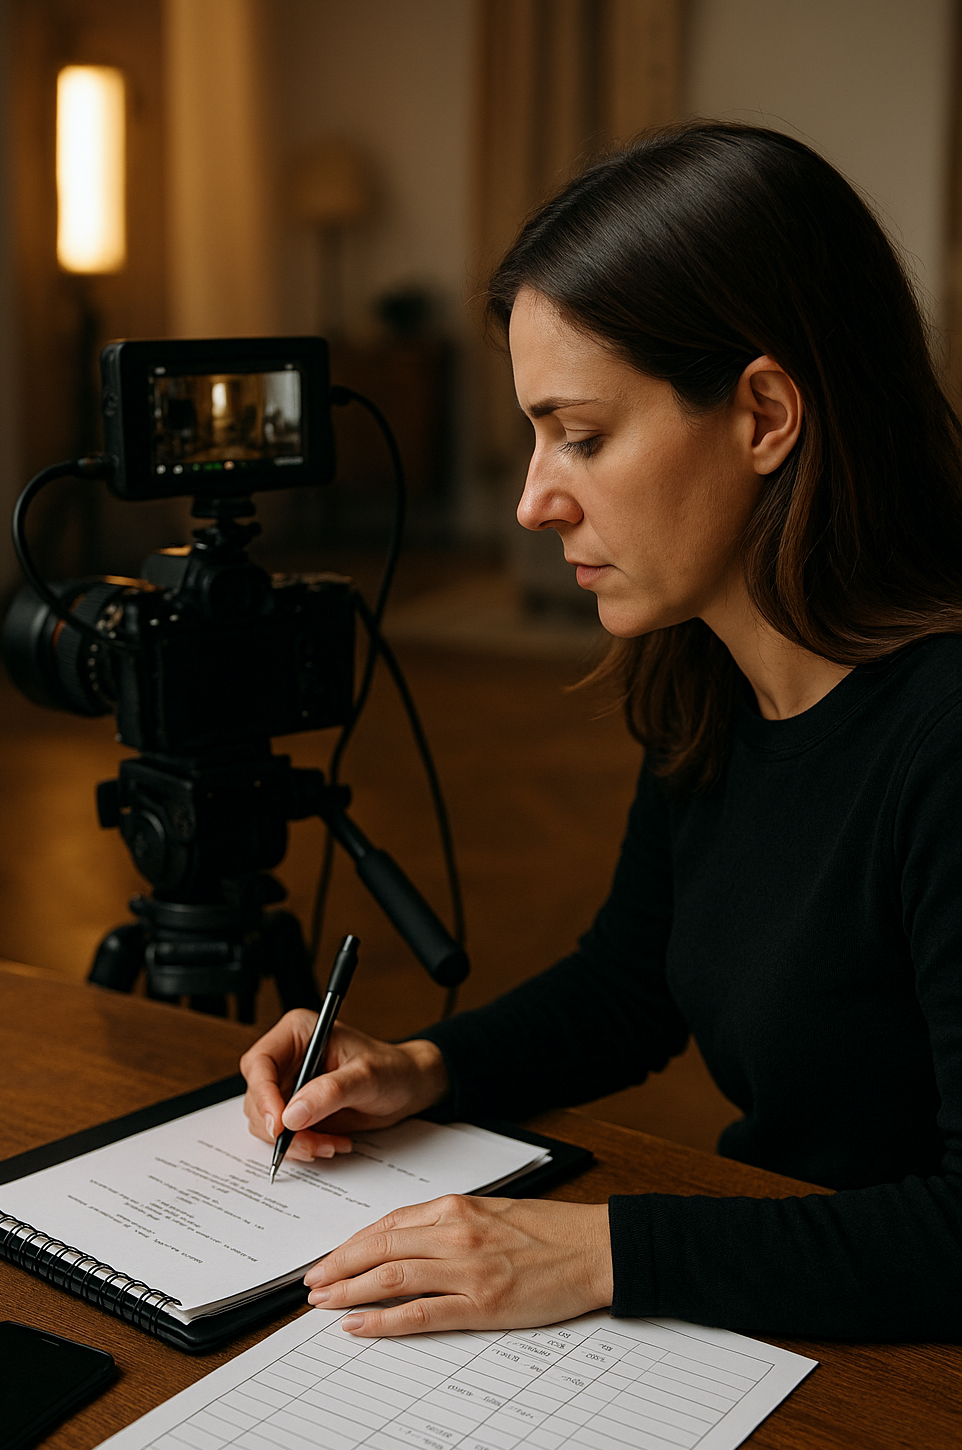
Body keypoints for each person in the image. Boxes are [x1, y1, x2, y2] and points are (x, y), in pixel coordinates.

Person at [241, 122, 962, 1343]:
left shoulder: (940, 742)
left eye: (580, 434)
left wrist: (604, 1251)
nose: (533, 499)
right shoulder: (707, 670)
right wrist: (421, 1067)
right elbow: (637, 981)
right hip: (776, 1306)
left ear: (764, 414)